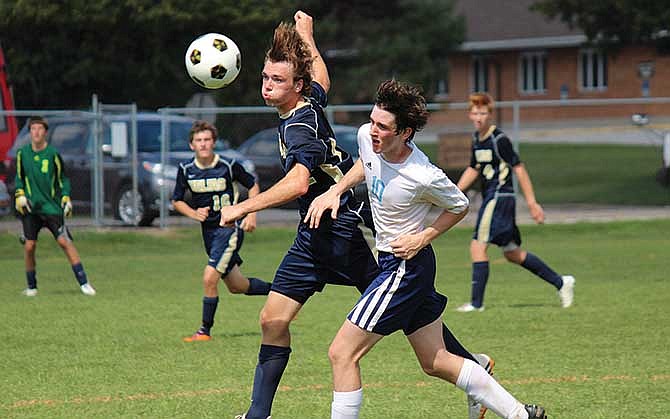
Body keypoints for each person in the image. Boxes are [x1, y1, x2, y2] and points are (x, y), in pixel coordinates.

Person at [221, 12, 489, 419]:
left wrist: (241, 207)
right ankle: (258, 413)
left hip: (343, 230)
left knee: (408, 311)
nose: (266, 85)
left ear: (297, 86)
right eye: (264, 77)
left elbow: (296, 184)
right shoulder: (308, 100)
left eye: (276, 80)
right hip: (313, 233)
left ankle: (473, 369)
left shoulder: (299, 130)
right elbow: (323, 81)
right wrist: (308, 37)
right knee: (272, 319)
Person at [305, 79, 547, 419]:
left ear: (405, 133)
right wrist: (336, 190)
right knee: (435, 361)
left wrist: (423, 237)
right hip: (396, 265)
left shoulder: (423, 174)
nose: (373, 131)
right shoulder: (366, 138)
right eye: (373, 122)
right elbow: (365, 162)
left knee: (341, 353)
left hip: (405, 269)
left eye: (383, 127)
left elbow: (459, 205)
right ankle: (522, 415)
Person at [455, 92, 575, 313]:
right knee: (512, 253)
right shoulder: (476, 139)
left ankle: (476, 304)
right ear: (470, 115)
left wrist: (532, 203)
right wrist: (453, 192)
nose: (478, 116)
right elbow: (473, 169)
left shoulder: (499, 140)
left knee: (477, 246)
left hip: (501, 197)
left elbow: (519, 169)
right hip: (492, 197)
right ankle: (561, 282)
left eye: (483, 112)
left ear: (490, 114)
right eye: (475, 112)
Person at [171, 120, 272, 342]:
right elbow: (177, 200)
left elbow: (252, 185)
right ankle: (284, 294)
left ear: (214, 143)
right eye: (199, 140)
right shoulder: (186, 170)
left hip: (229, 229)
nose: (203, 144)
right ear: (191, 145)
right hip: (209, 234)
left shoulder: (228, 165)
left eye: (207, 140)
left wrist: (251, 214)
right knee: (238, 286)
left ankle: (204, 332)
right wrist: (193, 213)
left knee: (209, 278)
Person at [14, 116, 96, 297]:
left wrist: (66, 197)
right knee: (29, 246)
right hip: (31, 209)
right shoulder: (23, 154)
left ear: (45, 132)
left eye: (39, 129)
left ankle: (84, 283)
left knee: (64, 242)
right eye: (33, 129)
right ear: (30, 132)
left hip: (51, 207)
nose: (36, 132)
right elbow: (19, 179)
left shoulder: (52, 154)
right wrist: (19, 195)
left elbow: (63, 179)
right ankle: (31, 287)